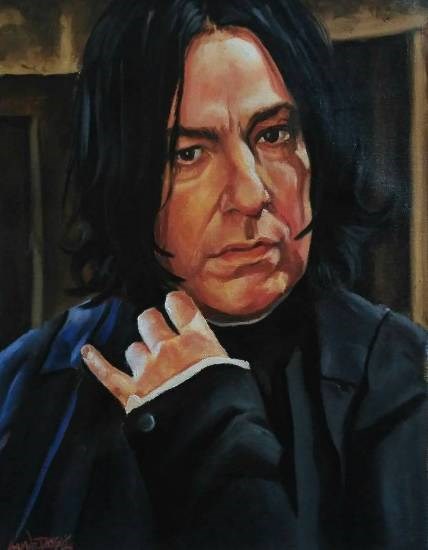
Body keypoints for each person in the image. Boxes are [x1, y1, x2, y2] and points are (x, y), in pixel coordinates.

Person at [0, 0, 426, 548]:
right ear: (126, 174)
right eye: (189, 153)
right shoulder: (32, 382)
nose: (250, 194)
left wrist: (211, 424)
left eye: (274, 135)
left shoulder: (397, 378)